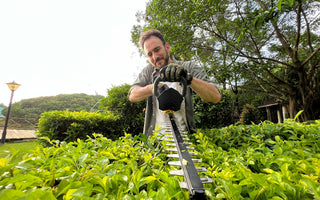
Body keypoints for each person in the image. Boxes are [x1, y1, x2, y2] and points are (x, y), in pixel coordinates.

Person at [128, 29, 221, 137]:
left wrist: (188, 79)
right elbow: (132, 95)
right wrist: (153, 88)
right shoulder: (148, 71)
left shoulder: (188, 67)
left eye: (157, 49)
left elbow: (215, 97)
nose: (155, 56)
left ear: (167, 47)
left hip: (185, 137)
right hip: (155, 141)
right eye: (150, 54)